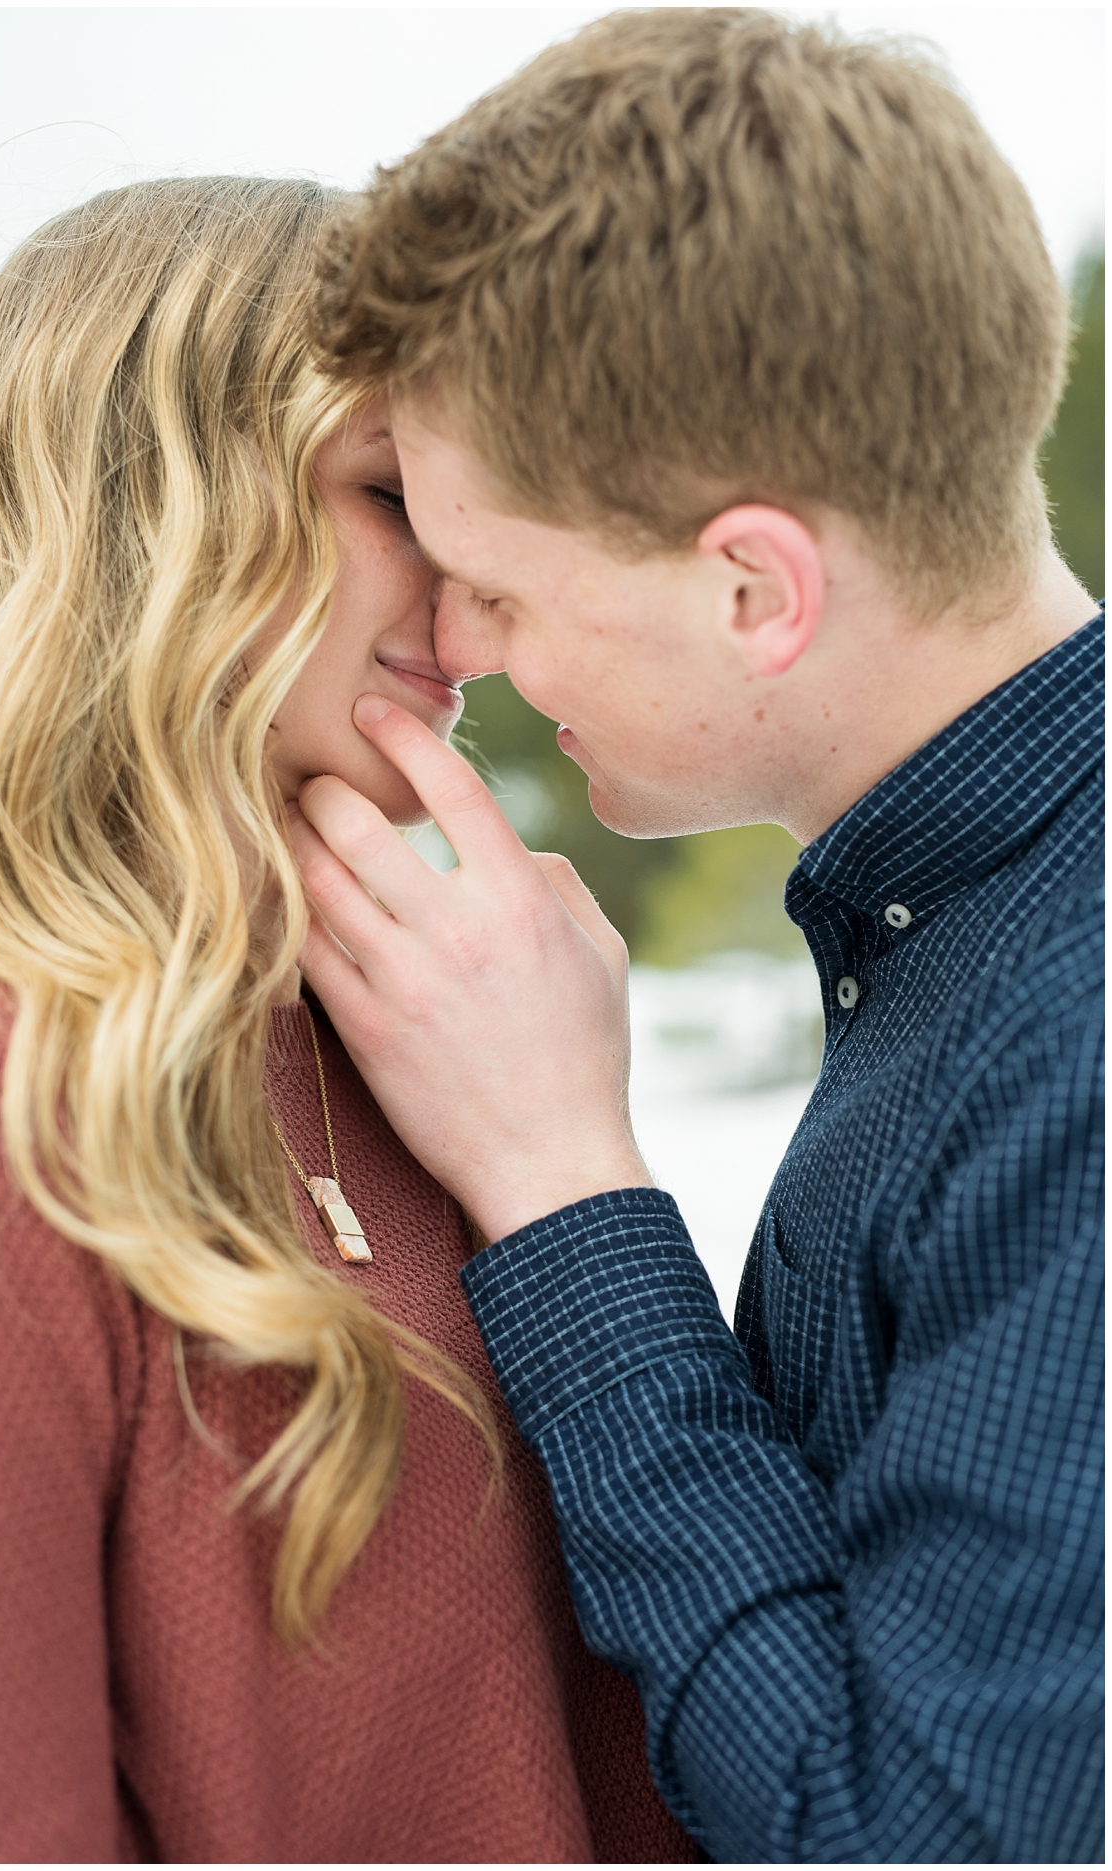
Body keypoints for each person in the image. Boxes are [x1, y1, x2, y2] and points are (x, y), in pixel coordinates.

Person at [290, 12, 1103, 1861]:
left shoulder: (1083, 1042)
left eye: (496, 583)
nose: (465, 647)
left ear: (754, 587)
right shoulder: (988, 922)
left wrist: (566, 1191)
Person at [0, 176, 694, 1862]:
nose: (473, 616)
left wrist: (577, 1166)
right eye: (397, 492)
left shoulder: (440, 1046)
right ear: (157, 509)